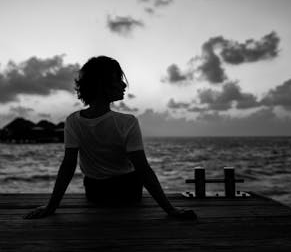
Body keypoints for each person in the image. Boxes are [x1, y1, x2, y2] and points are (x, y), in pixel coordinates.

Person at [24, 56, 196, 220]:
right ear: (102, 85)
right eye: (117, 79)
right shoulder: (127, 122)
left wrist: (51, 207)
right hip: (128, 192)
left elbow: (68, 166)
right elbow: (143, 170)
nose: (123, 85)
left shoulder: (72, 121)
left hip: (94, 192)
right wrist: (171, 210)